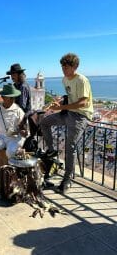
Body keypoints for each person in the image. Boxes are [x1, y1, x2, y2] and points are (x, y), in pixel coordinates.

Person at [40, 53, 94, 193]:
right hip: (68, 113)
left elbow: (83, 102)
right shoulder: (65, 80)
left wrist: (61, 107)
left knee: (70, 147)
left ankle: (67, 178)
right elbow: (70, 98)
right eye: (62, 67)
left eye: (66, 67)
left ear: (74, 66)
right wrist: (59, 103)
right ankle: (51, 150)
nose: (64, 69)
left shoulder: (82, 80)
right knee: (45, 122)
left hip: (80, 116)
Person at [0, 83, 27, 175]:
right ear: (3, 97)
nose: (13, 99)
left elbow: (23, 128)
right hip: (1, 136)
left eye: (13, 97)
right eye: (11, 97)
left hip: (15, 137)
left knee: (11, 151)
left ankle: (11, 173)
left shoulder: (18, 110)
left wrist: (23, 131)